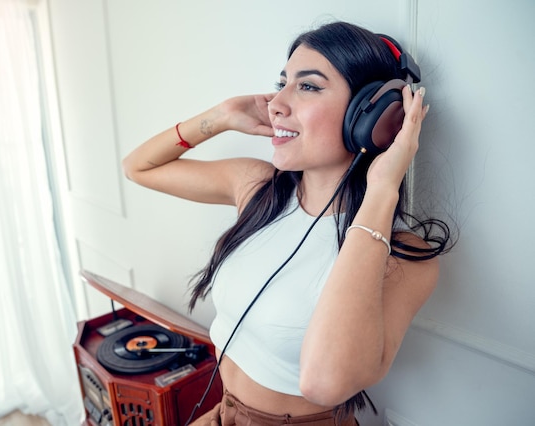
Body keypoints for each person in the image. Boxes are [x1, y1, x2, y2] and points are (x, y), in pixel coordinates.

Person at [122, 21, 452, 426]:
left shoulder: (405, 257)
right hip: (222, 413)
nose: (277, 101)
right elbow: (138, 167)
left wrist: (383, 187)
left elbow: (326, 384)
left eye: (308, 86)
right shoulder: (259, 188)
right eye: (283, 82)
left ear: (371, 117)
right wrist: (222, 115)